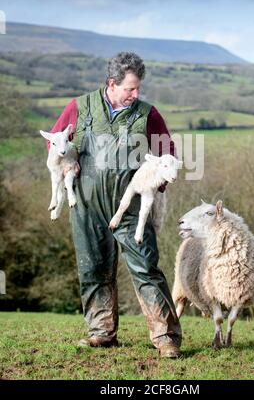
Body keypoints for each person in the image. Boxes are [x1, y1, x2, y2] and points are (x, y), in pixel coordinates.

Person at [47, 52, 182, 358]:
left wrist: (157, 183)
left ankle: (166, 337)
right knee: (93, 267)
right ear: (112, 83)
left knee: (146, 267)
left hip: (131, 203)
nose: (136, 95)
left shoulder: (148, 114)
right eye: (130, 89)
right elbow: (54, 140)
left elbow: (167, 152)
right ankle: (101, 332)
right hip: (86, 201)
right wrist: (67, 163)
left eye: (139, 89)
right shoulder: (80, 107)